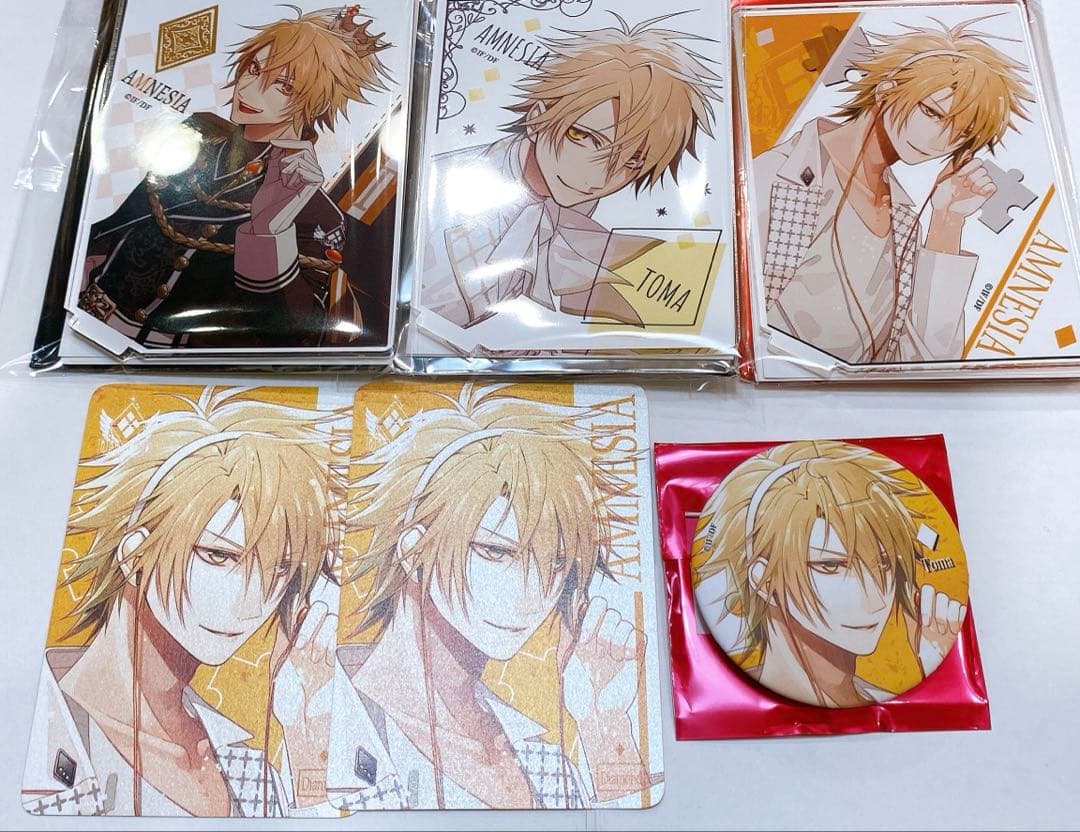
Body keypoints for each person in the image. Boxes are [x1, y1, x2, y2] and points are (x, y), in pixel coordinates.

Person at [22, 387, 350, 816]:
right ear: (135, 554)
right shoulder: (44, 730)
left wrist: (304, 733)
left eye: (279, 569)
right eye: (218, 556)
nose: (252, 604)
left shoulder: (246, 766)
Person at [327, 385, 652, 809]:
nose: (531, 597)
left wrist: (604, 723)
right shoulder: (323, 713)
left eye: (555, 563)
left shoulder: (541, 757)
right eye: (495, 551)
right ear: (413, 550)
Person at [78, 6, 391, 349]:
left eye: (284, 86)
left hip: (162, 356)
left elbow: (294, 329)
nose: (251, 89)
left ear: (313, 105)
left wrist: (269, 231)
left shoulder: (317, 212)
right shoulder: (197, 134)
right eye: (254, 68)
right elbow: (117, 223)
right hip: (82, 314)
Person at [754, 18, 1033, 363]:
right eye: (931, 112)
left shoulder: (902, 220)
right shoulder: (777, 174)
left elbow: (927, 365)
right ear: (886, 89)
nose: (938, 141)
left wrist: (947, 221)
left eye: (961, 134)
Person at [420, 13, 723, 330]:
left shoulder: (574, 204)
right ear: (537, 117)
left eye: (632, 161)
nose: (598, 180)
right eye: (582, 136)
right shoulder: (437, 192)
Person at [693, 440, 966, 708]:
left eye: (883, 563)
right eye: (831, 566)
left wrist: (931, 660)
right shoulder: (723, 699)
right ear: (763, 580)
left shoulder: (887, 688)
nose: (875, 601)